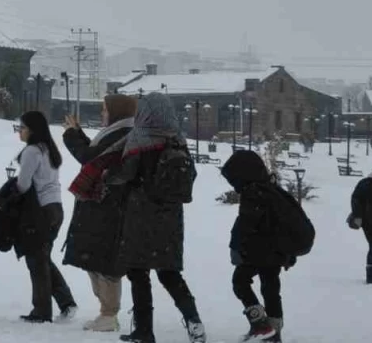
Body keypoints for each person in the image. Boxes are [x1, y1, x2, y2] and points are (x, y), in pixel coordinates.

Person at [110, 93, 206, 343]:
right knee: (169, 273)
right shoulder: (178, 140)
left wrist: (107, 177)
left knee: (138, 273)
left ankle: (144, 330)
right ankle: (194, 321)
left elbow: (125, 175)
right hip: (170, 217)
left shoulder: (140, 138)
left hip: (141, 215)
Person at [62, 93, 137, 332]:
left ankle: (108, 313)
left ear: (116, 112)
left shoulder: (123, 134)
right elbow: (95, 156)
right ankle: (105, 312)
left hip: (108, 205)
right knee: (94, 259)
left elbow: (89, 157)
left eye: (105, 109)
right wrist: (79, 134)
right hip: (100, 203)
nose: (102, 113)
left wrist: (73, 135)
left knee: (105, 262)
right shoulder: (115, 132)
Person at [222, 149, 295, 343]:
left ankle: (261, 325)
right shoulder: (271, 188)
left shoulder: (253, 192)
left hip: (258, 250)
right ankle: (274, 334)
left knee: (240, 282)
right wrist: (288, 252)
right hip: (275, 251)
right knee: (271, 289)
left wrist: (235, 246)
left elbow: (244, 223)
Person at [15, 111, 77, 323]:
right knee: (42, 258)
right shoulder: (48, 149)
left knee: (37, 261)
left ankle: (42, 311)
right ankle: (66, 303)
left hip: (40, 210)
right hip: (55, 208)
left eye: (21, 127)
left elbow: (23, 185)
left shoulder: (32, 151)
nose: (19, 132)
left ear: (31, 130)